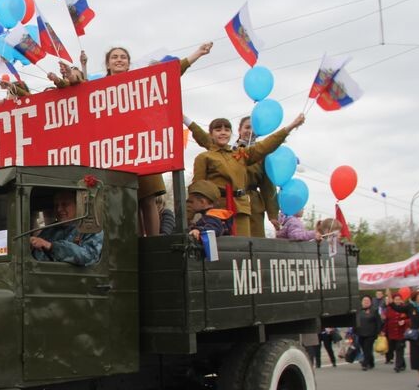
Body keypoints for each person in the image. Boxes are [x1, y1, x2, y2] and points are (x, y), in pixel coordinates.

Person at [103, 42, 213, 237]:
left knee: (148, 199)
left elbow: (169, 74)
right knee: (130, 201)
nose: (119, 60)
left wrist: (197, 54)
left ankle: (153, 242)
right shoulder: (99, 89)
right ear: (108, 64)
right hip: (117, 153)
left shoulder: (140, 83)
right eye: (114, 57)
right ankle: (136, 242)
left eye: (123, 57)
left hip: (142, 148)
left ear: (129, 64)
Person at [191, 114, 306, 236]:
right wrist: (189, 215)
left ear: (231, 132)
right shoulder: (210, 155)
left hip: (246, 205)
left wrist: (290, 126)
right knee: (221, 244)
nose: (223, 133)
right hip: (219, 206)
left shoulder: (245, 154)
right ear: (239, 130)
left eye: (226, 130)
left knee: (249, 244)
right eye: (247, 127)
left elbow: (267, 183)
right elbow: (198, 188)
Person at [30, 189, 104, 266]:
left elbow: (90, 256)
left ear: (78, 206)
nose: (59, 209)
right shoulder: (49, 230)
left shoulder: (90, 228)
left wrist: (51, 246)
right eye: (56, 205)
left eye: (64, 204)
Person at [354, 295, 383, 371]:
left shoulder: (374, 310)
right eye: (364, 300)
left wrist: (379, 331)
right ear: (361, 302)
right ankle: (371, 362)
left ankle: (365, 364)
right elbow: (355, 321)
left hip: (371, 334)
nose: (366, 302)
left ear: (370, 302)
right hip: (360, 333)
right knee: (365, 349)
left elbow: (379, 322)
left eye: (367, 301)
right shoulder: (358, 310)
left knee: (367, 348)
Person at [382, 294, 409, 371]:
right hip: (391, 333)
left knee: (399, 349)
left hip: (402, 333)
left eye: (399, 299)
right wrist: (383, 331)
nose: (397, 301)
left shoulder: (405, 308)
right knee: (393, 348)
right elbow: (386, 321)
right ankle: (402, 364)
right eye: (396, 299)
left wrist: (405, 321)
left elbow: (410, 319)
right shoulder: (389, 308)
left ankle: (398, 366)